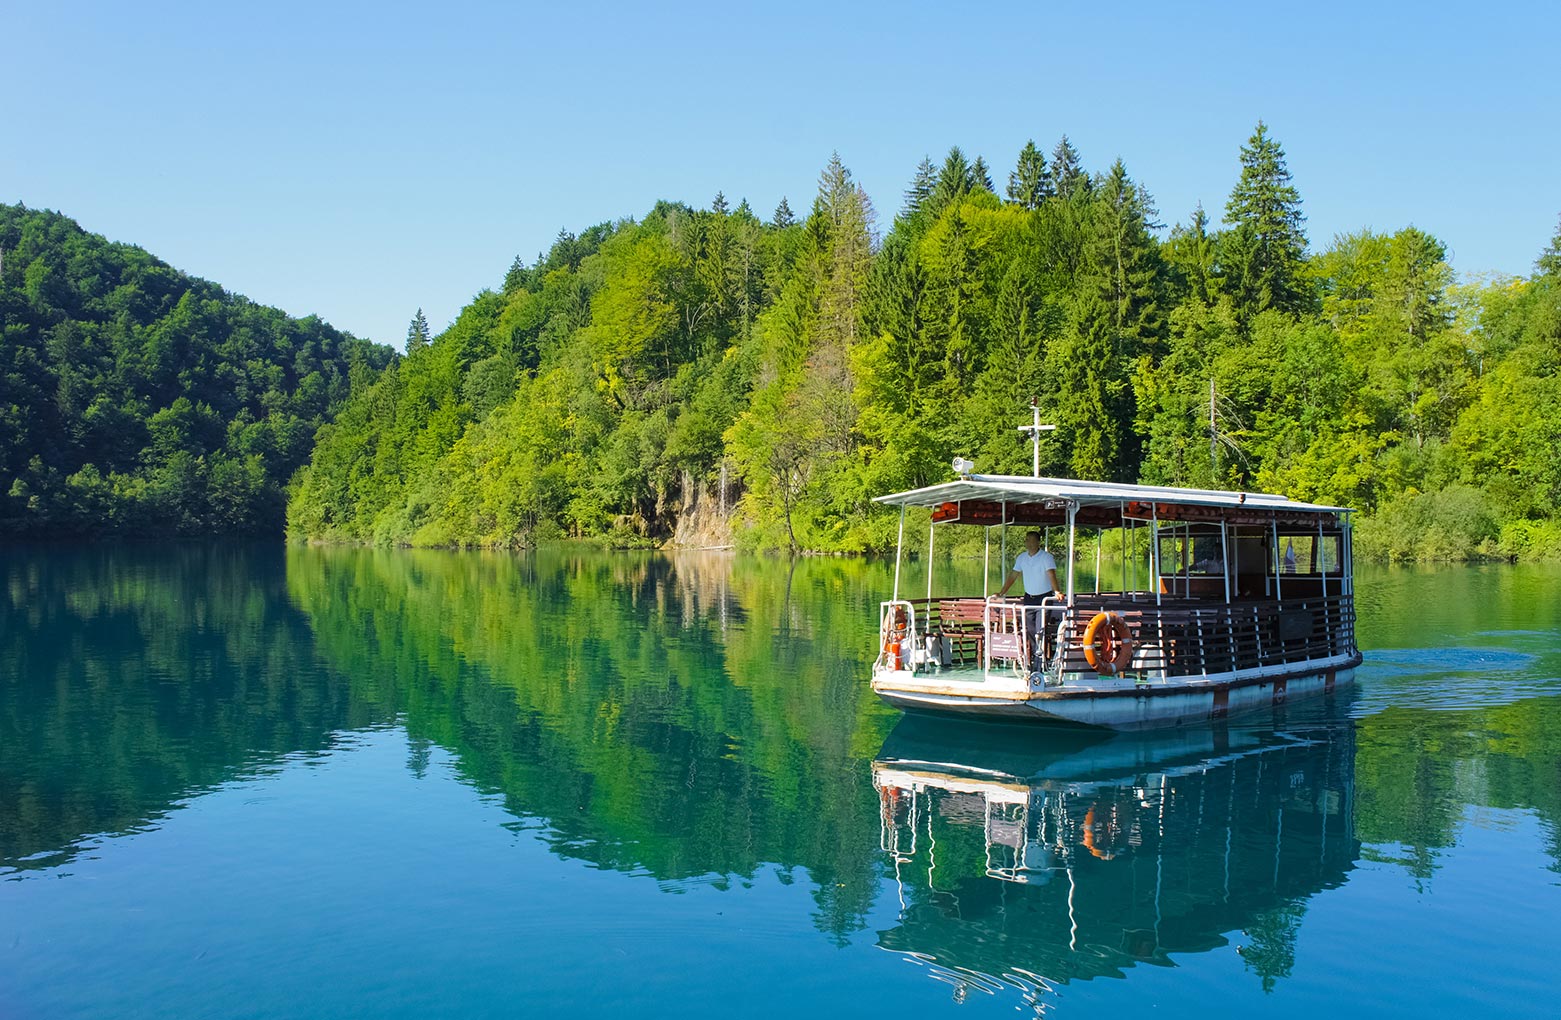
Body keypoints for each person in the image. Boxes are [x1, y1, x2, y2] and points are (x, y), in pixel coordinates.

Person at [995, 531, 1061, 667]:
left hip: (1045, 597)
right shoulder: (1022, 558)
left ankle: (1041, 661)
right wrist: (1002, 592)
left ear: (1038, 542)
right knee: (1030, 630)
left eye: (1032, 540)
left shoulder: (1046, 557)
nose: (1029, 543)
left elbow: (1051, 575)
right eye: (1027, 540)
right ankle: (1033, 659)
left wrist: (1057, 591)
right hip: (1029, 598)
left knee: (1040, 630)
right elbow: (1013, 576)